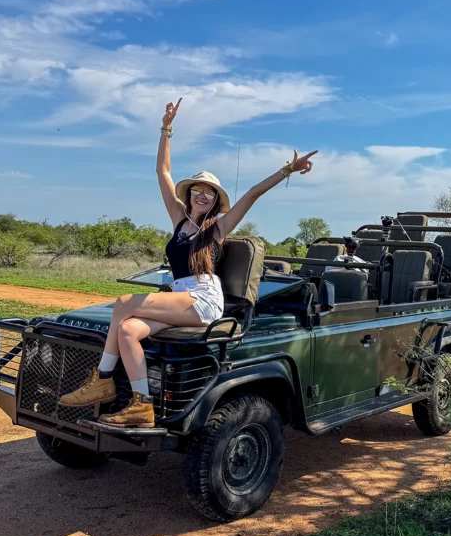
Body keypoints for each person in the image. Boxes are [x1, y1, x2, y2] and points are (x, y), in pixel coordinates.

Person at [58, 98, 318, 427]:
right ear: (190, 193)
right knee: (127, 330)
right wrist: (166, 128)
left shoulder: (219, 228)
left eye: (210, 193)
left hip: (203, 299)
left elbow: (251, 193)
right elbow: (162, 171)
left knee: (124, 302)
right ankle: (141, 404)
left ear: (215, 200)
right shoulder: (179, 220)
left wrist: (286, 170)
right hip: (180, 298)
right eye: (198, 189)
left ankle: (102, 379)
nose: (203, 195)